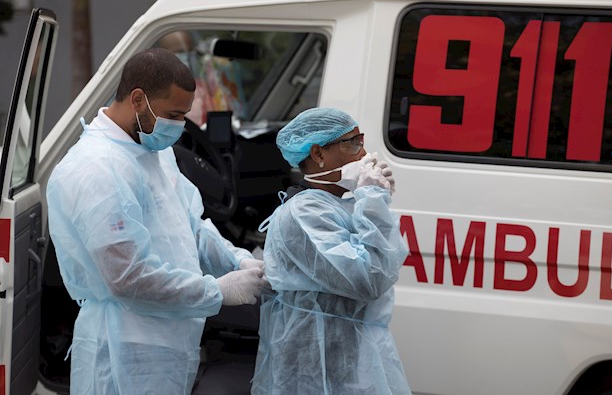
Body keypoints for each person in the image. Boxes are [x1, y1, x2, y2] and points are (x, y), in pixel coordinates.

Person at [46, 47, 268, 395]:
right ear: (138, 99)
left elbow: (189, 225)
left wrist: (236, 258)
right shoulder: (95, 169)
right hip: (125, 350)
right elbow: (128, 278)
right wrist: (217, 290)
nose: (179, 126)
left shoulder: (153, 151)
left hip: (170, 342)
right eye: (173, 114)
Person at [251, 107, 411, 394]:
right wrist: (372, 199)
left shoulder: (341, 205)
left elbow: (388, 262)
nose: (362, 154)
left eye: (360, 141)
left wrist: (374, 201)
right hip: (314, 363)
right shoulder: (304, 213)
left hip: (350, 356)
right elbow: (370, 278)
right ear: (318, 154)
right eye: (351, 144)